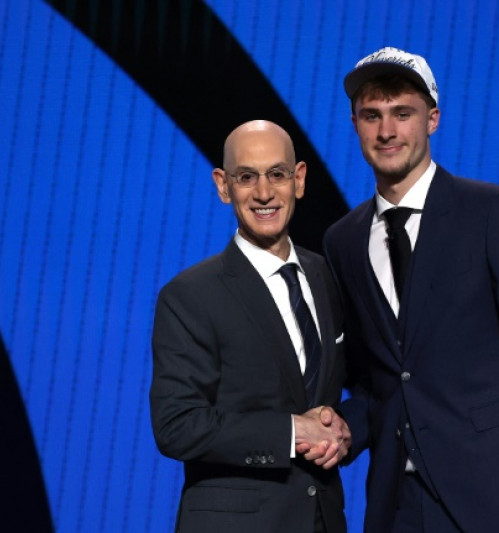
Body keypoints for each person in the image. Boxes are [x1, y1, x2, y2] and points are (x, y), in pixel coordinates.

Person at [323, 47, 499, 532]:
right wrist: (343, 426)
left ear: (432, 119)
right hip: (394, 505)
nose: (387, 131)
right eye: (372, 116)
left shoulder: (496, 213)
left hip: (491, 502)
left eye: (402, 113)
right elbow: (379, 381)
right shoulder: (343, 240)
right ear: (355, 124)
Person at [150, 120, 350, 532]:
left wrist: (344, 429)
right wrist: (292, 431)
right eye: (246, 177)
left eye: (277, 174)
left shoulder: (325, 276)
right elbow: (177, 425)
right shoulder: (190, 295)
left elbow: (361, 385)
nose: (263, 193)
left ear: (299, 180)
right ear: (223, 186)